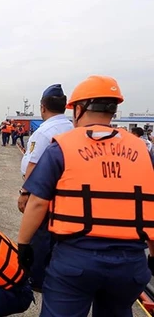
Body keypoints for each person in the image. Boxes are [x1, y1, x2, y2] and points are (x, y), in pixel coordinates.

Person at [17, 75, 154, 317]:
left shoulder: (61, 147)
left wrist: (24, 245)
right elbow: (148, 206)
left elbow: (37, 202)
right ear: (113, 109)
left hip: (76, 260)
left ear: (79, 109)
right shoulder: (142, 150)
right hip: (130, 265)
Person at [17, 84, 73, 292]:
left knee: (39, 236)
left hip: (42, 189)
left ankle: (36, 279)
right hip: (63, 191)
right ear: (65, 106)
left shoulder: (44, 132)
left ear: (42, 107)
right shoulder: (71, 128)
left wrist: (25, 193)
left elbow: (34, 164)